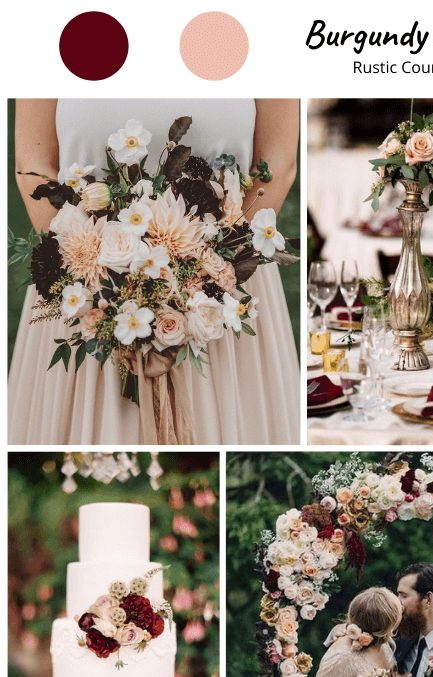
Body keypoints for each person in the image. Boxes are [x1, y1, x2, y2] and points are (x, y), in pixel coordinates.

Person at [9, 98, 299, 446]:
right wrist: (98, 282)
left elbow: (279, 162)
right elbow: (33, 163)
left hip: (224, 291)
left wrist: (203, 275)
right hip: (81, 286)